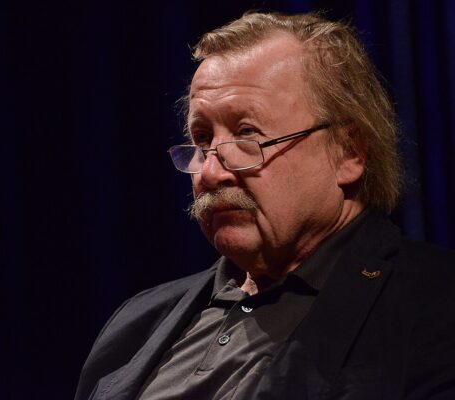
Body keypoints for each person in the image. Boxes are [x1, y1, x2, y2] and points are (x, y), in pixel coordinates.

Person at [75, 11, 455, 400]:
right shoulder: (139, 322)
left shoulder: (435, 308)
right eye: (202, 139)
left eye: (246, 134)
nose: (210, 172)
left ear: (349, 152)